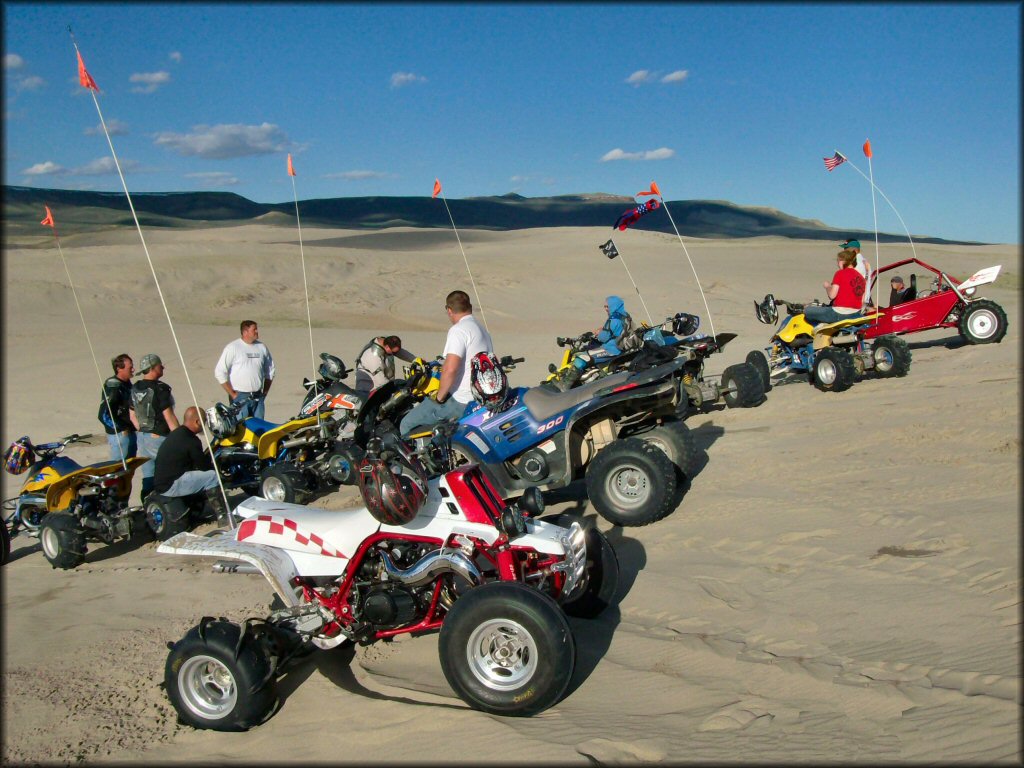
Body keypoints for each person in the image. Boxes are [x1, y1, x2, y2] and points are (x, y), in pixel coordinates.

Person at [399, 290, 494, 436]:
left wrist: (439, 398)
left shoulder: (459, 330)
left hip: (462, 399)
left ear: (449, 311)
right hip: (480, 396)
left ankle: (426, 458)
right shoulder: (481, 329)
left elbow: (450, 369)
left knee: (407, 425)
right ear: (470, 306)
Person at [152, 406, 229, 522]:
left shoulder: (176, 434)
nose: (204, 427)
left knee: (200, 476)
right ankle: (223, 516)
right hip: (171, 484)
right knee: (213, 476)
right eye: (203, 423)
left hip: (162, 482)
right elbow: (204, 466)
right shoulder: (191, 440)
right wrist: (218, 470)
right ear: (197, 422)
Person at [130, 353, 178, 502]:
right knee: (170, 471)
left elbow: (132, 415)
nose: (162, 367)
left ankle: (147, 504)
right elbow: (168, 416)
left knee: (148, 475)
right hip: (159, 436)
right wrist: (179, 437)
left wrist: (143, 430)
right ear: (152, 368)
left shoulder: (135, 388)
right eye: (159, 365)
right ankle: (168, 503)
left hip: (142, 437)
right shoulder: (160, 389)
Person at [214, 320, 275, 421]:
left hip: (257, 396)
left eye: (257, 329)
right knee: (241, 428)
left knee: (259, 428)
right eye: (254, 329)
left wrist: (264, 392)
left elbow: (270, 370)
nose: (257, 332)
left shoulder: (261, 347)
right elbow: (219, 372)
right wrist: (233, 394)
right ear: (245, 332)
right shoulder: (233, 347)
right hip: (240, 397)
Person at [803, 250, 867, 325]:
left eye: (838, 261)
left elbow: (832, 295)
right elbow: (862, 301)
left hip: (839, 313)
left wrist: (827, 286)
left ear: (843, 261)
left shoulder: (840, 273)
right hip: (855, 313)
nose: (837, 264)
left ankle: (820, 327)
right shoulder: (862, 278)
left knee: (807, 310)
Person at [98, 353, 137, 462]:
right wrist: (120, 429)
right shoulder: (113, 387)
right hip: (120, 436)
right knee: (118, 469)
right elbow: (103, 415)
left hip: (130, 432)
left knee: (129, 468)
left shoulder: (126, 383)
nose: (133, 369)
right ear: (119, 368)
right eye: (130, 367)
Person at [839, 239, 873, 309]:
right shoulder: (864, 260)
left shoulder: (855, 263)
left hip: (855, 302)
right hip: (863, 300)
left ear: (854, 250)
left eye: (846, 249)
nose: (843, 251)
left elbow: (848, 283)